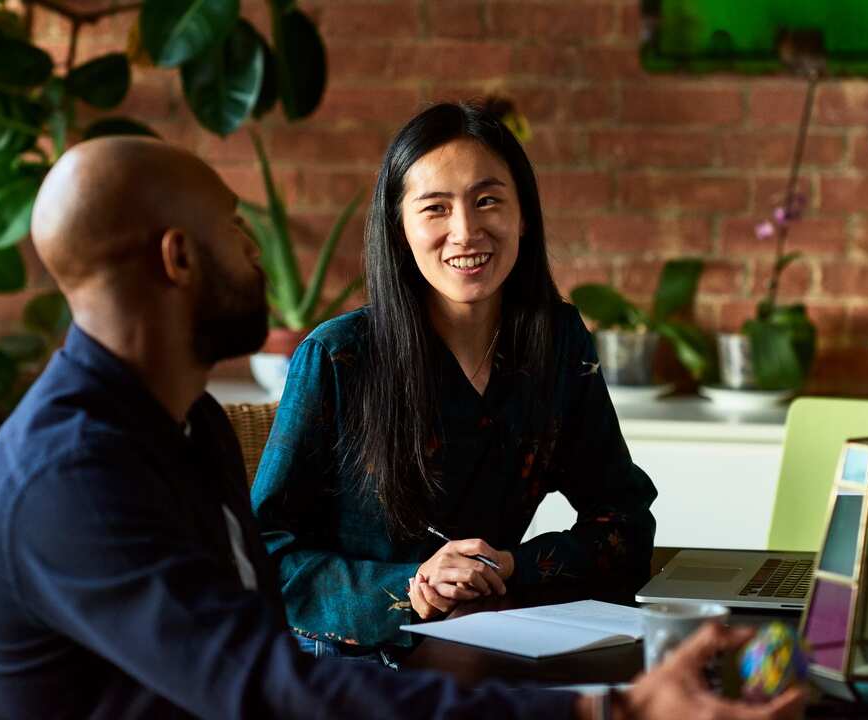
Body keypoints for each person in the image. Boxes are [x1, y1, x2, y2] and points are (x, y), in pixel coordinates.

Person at [0, 135, 803, 720]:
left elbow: (261, 662)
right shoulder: (70, 481)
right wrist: (604, 710)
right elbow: (264, 684)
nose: (255, 253)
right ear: (178, 257)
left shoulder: (184, 426)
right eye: (237, 230)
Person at [251, 102, 657, 661]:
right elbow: (262, 557)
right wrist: (412, 585)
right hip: (351, 666)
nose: (466, 232)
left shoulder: (555, 340)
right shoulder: (338, 357)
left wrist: (511, 565)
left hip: (494, 649)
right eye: (435, 209)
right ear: (400, 230)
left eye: (487, 200)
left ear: (524, 216)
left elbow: (625, 523)